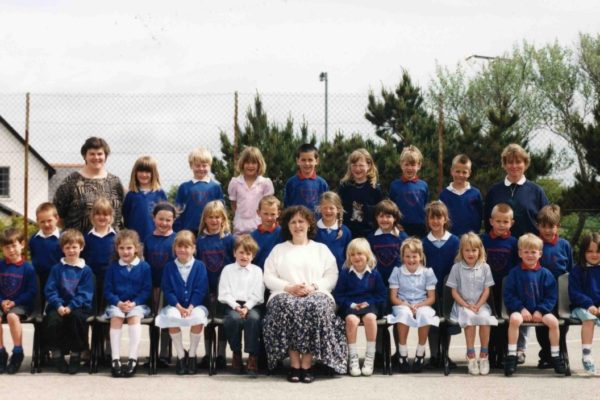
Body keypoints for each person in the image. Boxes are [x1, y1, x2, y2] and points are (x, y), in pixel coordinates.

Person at [263, 205, 346, 383]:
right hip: (284, 293)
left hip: (316, 292)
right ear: (288, 226)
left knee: (314, 307)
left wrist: (314, 287)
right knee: (287, 306)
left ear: (309, 224)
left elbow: (332, 275)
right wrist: (288, 287)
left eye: (301, 221)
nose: (297, 225)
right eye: (293, 222)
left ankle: (307, 364)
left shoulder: (321, 249)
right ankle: (294, 364)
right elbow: (268, 276)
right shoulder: (279, 249)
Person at [503, 233, 565, 376]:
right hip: (520, 310)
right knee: (514, 320)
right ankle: (512, 355)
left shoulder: (546, 274)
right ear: (519, 253)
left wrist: (541, 310)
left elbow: (551, 296)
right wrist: (521, 308)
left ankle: (555, 356)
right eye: (526, 252)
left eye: (533, 252)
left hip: (540, 311)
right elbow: (509, 295)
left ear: (540, 254)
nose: (530, 255)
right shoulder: (514, 273)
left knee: (553, 321)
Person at [155, 230, 209, 375]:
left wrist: (190, 307)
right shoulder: (169, 267)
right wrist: (179, 307)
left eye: (187, 247)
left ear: (194, 249)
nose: (183, 250)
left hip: (195, 305)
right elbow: (168, 290)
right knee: (172, 318)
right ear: (175, 248)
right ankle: (180, 356)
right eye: (179, 246)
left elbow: (200, 289)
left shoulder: (199, 266)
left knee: (198, 318)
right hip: (175, 305)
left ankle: (191, 355)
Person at [446, 233, 498, 376]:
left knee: (484, 319)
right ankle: (471, 354)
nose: (470, 253)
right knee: (469, 318)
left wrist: (478, 304)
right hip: (463, 306)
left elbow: (487, 290)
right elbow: (454, 292)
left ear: (480, 251)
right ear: (461, 251)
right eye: (467, 250)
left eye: (474, 250)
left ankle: (484, 355)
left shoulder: (485, 267)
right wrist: (466, 305)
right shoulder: (456, 268)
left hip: (480, 305)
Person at [44, 229, 95, 374]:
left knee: (77, 319)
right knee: (53, 320)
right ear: (62, 249)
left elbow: (85, 293)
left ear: (81, 248)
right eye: (67, 247)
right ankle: (57, 354)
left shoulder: (86, 271)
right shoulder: (56, 269)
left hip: (78, 306)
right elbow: (50, 290)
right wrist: (59, 305)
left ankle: (75, 354)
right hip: (58, 305)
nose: (71, 250)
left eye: (74, 247)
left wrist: (71, 306)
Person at [334, 238, 386, 377]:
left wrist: (368, 303)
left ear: (367, 255)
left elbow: (381, 294)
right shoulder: (345, 273)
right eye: (352, 254)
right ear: (349, 257)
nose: (356, 257)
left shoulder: (374, 273)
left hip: (369, 304)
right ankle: (353, 358)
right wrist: (351, 305)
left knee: (370, 318)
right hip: (350, 304)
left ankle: (370, 357)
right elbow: (338, 295)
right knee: (351, 320)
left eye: (359, 253)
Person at [103, 230, 152, 378]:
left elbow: (146, 290)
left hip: (137, 305)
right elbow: (108, 290)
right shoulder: (113, 268)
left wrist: (134, 303)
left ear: (136, 248)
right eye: (122, 248)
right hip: (117, 304)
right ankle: (115, 359)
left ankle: (132, 358)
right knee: (116, 318)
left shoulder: (144, 267)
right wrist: (118, 303)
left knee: (134, 317)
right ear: (117, 249)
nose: (125, 251)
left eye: (129, 248)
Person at [386, 238, 439, 373]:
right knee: (404, 313)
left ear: (420, 256)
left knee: (425, 314)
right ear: (403, 257)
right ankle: (402, 354)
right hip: (402, 304)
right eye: (407, 256)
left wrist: (419, 305)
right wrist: (406, 304)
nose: (411, 259)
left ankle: (420, 353)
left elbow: (431, 298)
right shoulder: (397, 272)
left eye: (414, 256)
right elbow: (393, 297)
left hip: (422, 303)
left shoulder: (427, 273)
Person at [53, 136, 124, 233]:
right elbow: (57, 216)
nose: (96, 157)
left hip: (111, 243)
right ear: (84, 156)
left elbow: (123, 214)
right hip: (78, 245)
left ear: (105, 156)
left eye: (100, 154)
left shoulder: (115, 182)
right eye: (92, 154)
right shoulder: (71, 182)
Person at [218, 235, 265, 376]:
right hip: (232, 305)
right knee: (233, 319)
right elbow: (224, 293)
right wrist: (236, 307)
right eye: (241, 252)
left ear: (253, 255)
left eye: (248, 253)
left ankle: (252, 357)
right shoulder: (227, 269)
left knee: (253, 320)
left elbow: (258, 293)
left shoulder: (257, 271)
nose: (244, 256)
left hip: (252, 305)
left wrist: (247, 307)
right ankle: (236, 354)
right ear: (234, 253)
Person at [195, 200, 234, 368]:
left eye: (217, 217)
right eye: (210, 217)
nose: (214, 220)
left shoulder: (229, 239)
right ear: (205, 219)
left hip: (225, 288)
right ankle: (207, 353)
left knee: (223, 321)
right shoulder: (200, 240)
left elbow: (234, 263)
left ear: (223, 219)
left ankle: (220, 354)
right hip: (206, 287)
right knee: (208, 321)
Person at [421, 201, 460, 367]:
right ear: (428, 220)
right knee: (433, 322)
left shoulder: (455, 241)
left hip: (449, 289)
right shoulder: (423, 242)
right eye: (432, 218)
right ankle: (434, 355)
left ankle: (445, 354)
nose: (436, 221)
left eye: (439, 218)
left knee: (447, 322)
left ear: (446, 219)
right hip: (429, 290)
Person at [483, 143, 549, 238]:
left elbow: (547, 221)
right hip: (501, 249)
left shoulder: (537, 191)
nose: (514, 166)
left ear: (525, 164)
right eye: (510, 162)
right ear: (504, 165)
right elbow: (487, 223)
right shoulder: (494, 191)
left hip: (529, 249)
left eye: (518, 162)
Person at [481, 203, 518, 367]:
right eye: (498, 221)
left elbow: (517, 266)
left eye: (505, 222)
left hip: (506, 289)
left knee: (504, 321)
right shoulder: (483, 240)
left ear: (512, 223)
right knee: (490, 320)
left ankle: (503, 353)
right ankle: (489, 352)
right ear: (491, 221)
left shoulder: (514, 242)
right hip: (486, 288)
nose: (502, 225)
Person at [536, 204, 573, 368]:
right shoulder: (535, 244)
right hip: (540, 293)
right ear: (538, 226)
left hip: (560, 294)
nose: (547, 230)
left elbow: (570, 270)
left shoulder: (564, 245)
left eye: (551, 226)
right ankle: (545, 355)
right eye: (544, 226)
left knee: (560, 325)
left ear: (558, 226)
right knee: (542, 326)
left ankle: (559, 353)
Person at [143, 202, 177, 366]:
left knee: (165, 320)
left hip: (169, 288)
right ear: (154, 218)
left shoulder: (176, 240)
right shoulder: (148, 240)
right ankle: (153, 353)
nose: (164, 223)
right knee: (153, 320)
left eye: (168, 220)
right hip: (152, 286)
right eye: (160, 219)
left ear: (173, 220)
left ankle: (164, 353)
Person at [0, 228, 37, 374]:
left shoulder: (28, 268)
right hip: (2, 302)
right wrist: (2, 301)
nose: (11, 250)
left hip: (21, 304)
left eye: (14, 245)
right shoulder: (1, 266)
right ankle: (1, 352)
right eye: (7, 247)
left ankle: (17, 351)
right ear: (2, 249)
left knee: (12, 316)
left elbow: (32, 292)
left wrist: (14, 303)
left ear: (22, 245)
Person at [568, 233, 600, 375]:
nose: (594, 255)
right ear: (583, 252)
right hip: (581, 307)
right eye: (590, 251)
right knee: (589, 319)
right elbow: (574, 292)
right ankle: (586, 356)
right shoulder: (577, 270)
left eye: (598, 251)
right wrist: (589, 305)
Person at [173, 147, 224, 234]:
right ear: (191, 166)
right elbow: (177, 212)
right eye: (197, 165)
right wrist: (178, 231)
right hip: (188, 232)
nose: (201, 168)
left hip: (210, 232)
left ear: (210, 166)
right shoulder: (184, 187)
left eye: (204, 165)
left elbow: (221, 212)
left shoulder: (215, 187)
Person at [227, 146, 274, 236]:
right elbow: (234, 205)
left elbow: (268, 206)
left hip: (259, 227)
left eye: (254, 163)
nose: (250, 166)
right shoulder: (235, 183)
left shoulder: (265, 183)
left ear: (259, 164)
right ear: (242, 164)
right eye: (247, 162)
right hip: (240, 229)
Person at [337, 148, 383, 238]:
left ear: (369, 165)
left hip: (369, 234)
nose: (357, 169)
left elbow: (379, 213)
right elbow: (339, 211)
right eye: (354, 165)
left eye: (361, 165)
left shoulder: (374, 189)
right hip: (348, 233)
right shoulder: (344, 187)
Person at [122, 156, 167, 243]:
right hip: (135, 240)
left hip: (155, 239)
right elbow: (126, 219)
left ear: (153, 174)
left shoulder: (160, 194)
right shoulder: (131, 195)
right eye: (141, 171)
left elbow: (165, 217)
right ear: (135, 173)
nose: (143, 174)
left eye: (147, 171)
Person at [389, 145, 428, 238]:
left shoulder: (424, 185)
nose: (409, 168)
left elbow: (425, 206)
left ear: (419, 166)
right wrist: (395, 223)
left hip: (420, 226)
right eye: (406, 164)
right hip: (401, 226)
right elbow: (391, 208)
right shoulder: (394, 185)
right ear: (401, 165)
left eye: (413, 165)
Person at [439, 154, 482, 236]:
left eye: (464, 172)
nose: (460, 175)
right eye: (457, 171)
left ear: (469, 173)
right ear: (452, 171)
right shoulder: (444, 195)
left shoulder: (476, 193)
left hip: (471, 240)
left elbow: (480, 216)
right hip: (450, 239)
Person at [82, 197, 117, 301]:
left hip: (110, 277)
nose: (102, 217)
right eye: (98, 214)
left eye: (105, 214)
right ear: (92, 216)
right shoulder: (86, 238)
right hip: (91, 278)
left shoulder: (116, 238)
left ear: (111, 217)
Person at [367, 199, 408, 285]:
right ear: (376, 217)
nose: (384, 220)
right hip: (378, 280)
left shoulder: (402, 237)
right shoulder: (371, 238)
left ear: (395, 218)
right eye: (381, 216)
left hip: (399, 281)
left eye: (388, 216)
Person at [29, 202, 63, 304]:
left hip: (58, 277)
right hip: (39, 276)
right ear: (37, 221)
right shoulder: (34, 239)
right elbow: (33, 254)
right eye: (42, 222)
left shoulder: (63, 238)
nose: (46, 224)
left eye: (49, 220)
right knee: (42, 298)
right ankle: (41, 315)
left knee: (56, 299)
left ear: (56, 218)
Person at [283, 143, 329, 213]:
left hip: (316, 223)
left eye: (310, 160)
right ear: (298, 161)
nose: (307, 163)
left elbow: (326, 206)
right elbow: (287, 207)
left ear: (316, 161)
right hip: (297, 223)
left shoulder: (322, 184)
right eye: (303, 160)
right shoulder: (291, 183)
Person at [314, 191, 352, 270]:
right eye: (325, 208)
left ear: (338, 209)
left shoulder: (345, 231)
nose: (328, 211)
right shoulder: (313, 230)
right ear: (319, 208)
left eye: (331, 208)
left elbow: (348, 255)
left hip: (340, 274)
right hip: (318, 273)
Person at [250, 195, 283, 269]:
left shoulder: (285, 234)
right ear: (258, 212)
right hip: (258, 277)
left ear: (278, 213)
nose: (269, 218)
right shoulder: (251, 237)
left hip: (279, 277)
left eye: (273, 214)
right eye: (265, 214)